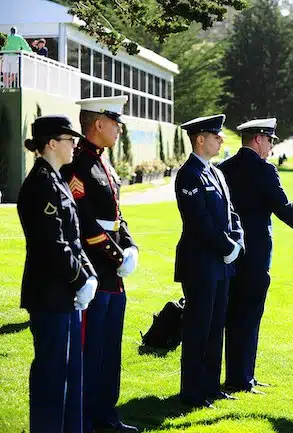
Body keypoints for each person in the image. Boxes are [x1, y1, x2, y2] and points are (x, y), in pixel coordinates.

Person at [219, 117, 293, 394]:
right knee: (249, 316)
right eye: (269, 141)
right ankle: (242, 379)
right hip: (254, 256)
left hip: (228, 253)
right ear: (258, 139)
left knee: (231, 316)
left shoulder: (223, 168)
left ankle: (239, 376)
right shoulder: (264, 170)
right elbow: (282, 206)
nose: (271, 147)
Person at [60, 96, 139, 433]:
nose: (119, 128)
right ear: (97, 125)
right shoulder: (78, 166)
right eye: (114, 121)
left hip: (113, 274)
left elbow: (117, 217)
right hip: (96, 270)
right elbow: (86, 222)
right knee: (91, 352)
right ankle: (87, 418)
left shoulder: (103, 164)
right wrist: (118, 257)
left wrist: (132, 246)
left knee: (110, 351)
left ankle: (107, 414)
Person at [17, 115, 98, 433]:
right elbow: (52, 245)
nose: (75, 145)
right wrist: (81, 280)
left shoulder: (55, 179)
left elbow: (73, 239)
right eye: (69, 140)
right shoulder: (41, 184)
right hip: (50, 293)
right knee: (52, 375)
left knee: (67, 372)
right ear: (51, 143)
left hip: (64, 292)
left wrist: (89, 275)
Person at [174, 114, 244, 408]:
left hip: (221, 263)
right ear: (200, 139)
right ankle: (192, 391)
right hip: (200, 264)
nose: (220, 140)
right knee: (198, 328)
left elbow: (232, 213)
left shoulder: (216, 173)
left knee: (216, 326)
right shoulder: (189, 174)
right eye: (216, 136)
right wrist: (227, 246)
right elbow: (199, 221)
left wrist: (237, 239)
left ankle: (211, 386)